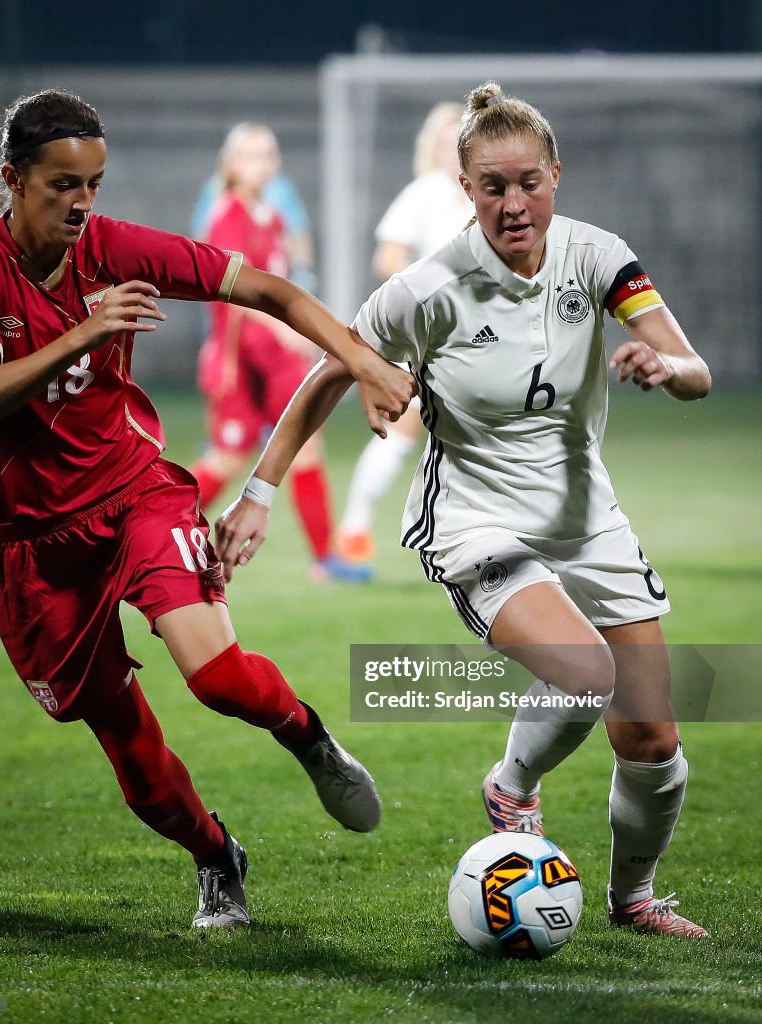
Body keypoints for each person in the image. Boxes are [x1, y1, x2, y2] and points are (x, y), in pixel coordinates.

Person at [216, 81, 713, 939]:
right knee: (585, 674)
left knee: (655, 744)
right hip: (476, 521)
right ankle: (512, 787)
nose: (513, 203)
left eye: (529, 182)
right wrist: (258, 493)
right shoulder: (428, 288)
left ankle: (633, 901)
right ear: (466, 190)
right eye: (492, 186)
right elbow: (326, 375)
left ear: (557, 175)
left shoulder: (598, 257)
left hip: (587, 516)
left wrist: (669, 371)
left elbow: (694, 367)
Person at [0, 89, 416, 932]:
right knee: (129, 746)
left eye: (95, 183)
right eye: (61, 185)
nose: (83, 204)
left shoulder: (117, 248)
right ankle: (215, 856)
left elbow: (269, 289)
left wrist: (365, 363)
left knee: (218, 675)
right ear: (12, 179)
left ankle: (307, 735)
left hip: (132, 498)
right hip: (30, 548)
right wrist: (84, 334)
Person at [189, 123, 368, 582]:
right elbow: (237, 295)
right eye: (250, 155)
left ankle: (324, 559)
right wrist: (288, 329)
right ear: (230, 165)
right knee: (227, 457)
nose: (262, 163)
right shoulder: (228, 215)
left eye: (268, 154)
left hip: (273, 360)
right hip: (242, 361)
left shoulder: (271, 216)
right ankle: (149, 532)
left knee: (307, 447)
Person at [337, 102, 470, 570]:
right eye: (446, 143)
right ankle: (354, 531)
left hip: (485, 334)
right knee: (405, 428)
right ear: (431, 150)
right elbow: (387, 259)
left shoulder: (485, 197)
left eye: (462, 142)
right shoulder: (424, 194)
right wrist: (432, 284)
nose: (454, 152)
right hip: (434, 336)